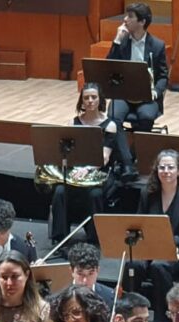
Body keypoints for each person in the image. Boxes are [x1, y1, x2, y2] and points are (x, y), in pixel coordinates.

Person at [48, 83, 133, 244]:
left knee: (95, 194)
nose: (90, 101)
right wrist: (72, 167)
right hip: (75, 170)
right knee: (59, 191)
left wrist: (86, 169)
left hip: (99, 172)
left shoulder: (110, 125)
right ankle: (60, 239)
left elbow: (104, 157)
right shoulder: (72, 123)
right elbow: (67, 153)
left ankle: (94, 239)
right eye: (86, 97)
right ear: (82, 100)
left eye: (94, 97)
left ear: (100, 99)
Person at [130, 148, 179, 322]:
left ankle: (165, 318)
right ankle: (132, 314)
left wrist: (168, 243)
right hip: (151, 246)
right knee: (133, 264)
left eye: (170, 167)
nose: (166, 171)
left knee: (159, 266)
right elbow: (139, 223)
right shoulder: (148, 193)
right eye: (162, 167)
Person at [105, 3, 169, 134]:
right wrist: (116, 41)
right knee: (113, 117)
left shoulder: (157, 45)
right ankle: (123, 147)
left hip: (146, 96)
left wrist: (156, 92)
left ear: (142, 22)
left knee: (146, 117)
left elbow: (163, 77)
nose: (125, 19)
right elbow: (109, 66)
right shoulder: (122, 42)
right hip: (123, 95)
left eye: (130, 16)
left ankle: (138, 145)